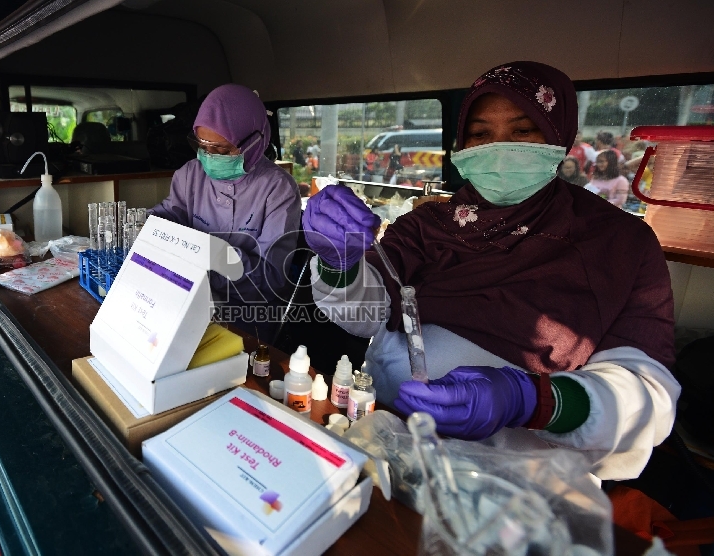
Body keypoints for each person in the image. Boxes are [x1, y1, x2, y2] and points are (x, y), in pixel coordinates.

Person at [303, 61, 678, 481]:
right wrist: (338, 263)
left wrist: (531, 401)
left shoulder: (618, 243)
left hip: (518, 481)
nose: (500, 149)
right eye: (481, 134)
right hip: (390, 437)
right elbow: (363, 316)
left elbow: (650, 400)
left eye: (522, 131)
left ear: (558, 135)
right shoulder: (427, 225)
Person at [148, 84, 302, 339]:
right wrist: (145, 226)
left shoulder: (278, 189)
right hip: (188, 302)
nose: (210, 158)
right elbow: (170, 213)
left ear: (255, 142)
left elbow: (270, 279)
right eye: (203, 147)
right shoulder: (190, 174)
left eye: (221, 150)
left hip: (247, 320)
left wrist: (206, 259)